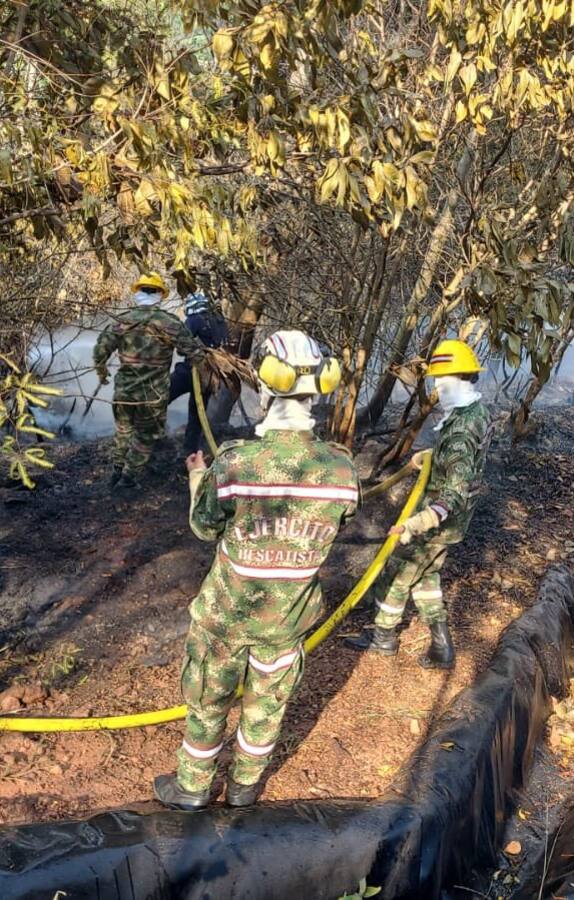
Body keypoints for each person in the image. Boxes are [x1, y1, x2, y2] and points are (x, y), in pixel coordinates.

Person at [153, 330, 358, 811]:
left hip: (225, 617)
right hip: (287, 622)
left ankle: (192, 790)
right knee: (268, 705)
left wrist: (198, 477)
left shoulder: (235, 464)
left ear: (265, 389)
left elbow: (205, 528)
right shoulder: (343, 471)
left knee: (209, 701)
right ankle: (244, 788)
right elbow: (337, 521)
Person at [344, 339, 491, 670]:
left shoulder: (461, 430)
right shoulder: (475, 412)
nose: (437, 386)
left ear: (459, 378)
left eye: (442, 379)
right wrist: (434, 456)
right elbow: (462, 464)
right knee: (427, 576)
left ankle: (383, 636)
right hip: (454, 522)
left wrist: (417, 523)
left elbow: (454, 489)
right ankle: (442, 645)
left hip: (438, 519)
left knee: (398, 570)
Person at [93, 273, 208, 490]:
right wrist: (203, 373)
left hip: (124, 393)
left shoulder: (122, 321)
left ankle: (117, 471)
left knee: (124, 431)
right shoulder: (170, 323)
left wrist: (102, 373)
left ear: (137, 293)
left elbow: (100, 351)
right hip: (153, 396)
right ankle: (127, 479)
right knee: (146, 436)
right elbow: (194, 352)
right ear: (160, 296)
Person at [167, 279, 229, 455]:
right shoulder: (219, 320)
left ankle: (151, 435)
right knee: (196, 415)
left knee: (162, 397)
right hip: (210, 375)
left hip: (191, 371)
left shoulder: (194, 319)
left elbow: (182, 344)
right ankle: (189, 452)